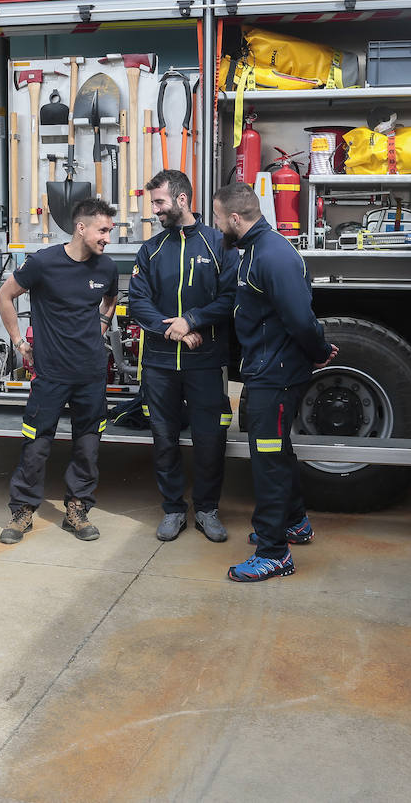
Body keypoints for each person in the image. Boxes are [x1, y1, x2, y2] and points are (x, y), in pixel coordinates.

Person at [211, 182, 336, 582]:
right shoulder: (254, 251)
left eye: (217, 219)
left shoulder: (273, 255)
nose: (216, 227)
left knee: (268, 461)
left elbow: (301, 318)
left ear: (234, 218)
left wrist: (317, 351)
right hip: (268, 372)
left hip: (276, 379)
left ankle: (273, 552)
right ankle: (294, 524)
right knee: (277, 453)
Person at [0, 197, 119, 544]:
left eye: (109, 230)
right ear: (81, 228)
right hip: (49, 373)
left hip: (91, 373)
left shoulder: (106, 268)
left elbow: (111, 298)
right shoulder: (43, 264)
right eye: (103, 230)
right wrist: (19, 341)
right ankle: (22, 510)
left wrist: (102, 325)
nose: (107, 237)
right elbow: (6, 296)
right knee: (36, 443)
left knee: (88, 443)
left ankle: (77, 509)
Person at [129, 170, 238, 543]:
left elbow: (229, 299)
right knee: (164, 438)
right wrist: (170, 329)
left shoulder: (217, 244)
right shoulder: (151, 249)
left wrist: (191, 320)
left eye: (159, 202)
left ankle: (207, 510)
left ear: (181, 199)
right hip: (159, 363)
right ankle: (173, 510)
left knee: (210, 439)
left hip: (205, 360)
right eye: (153, 202)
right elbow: (138, 302)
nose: (154, 210)